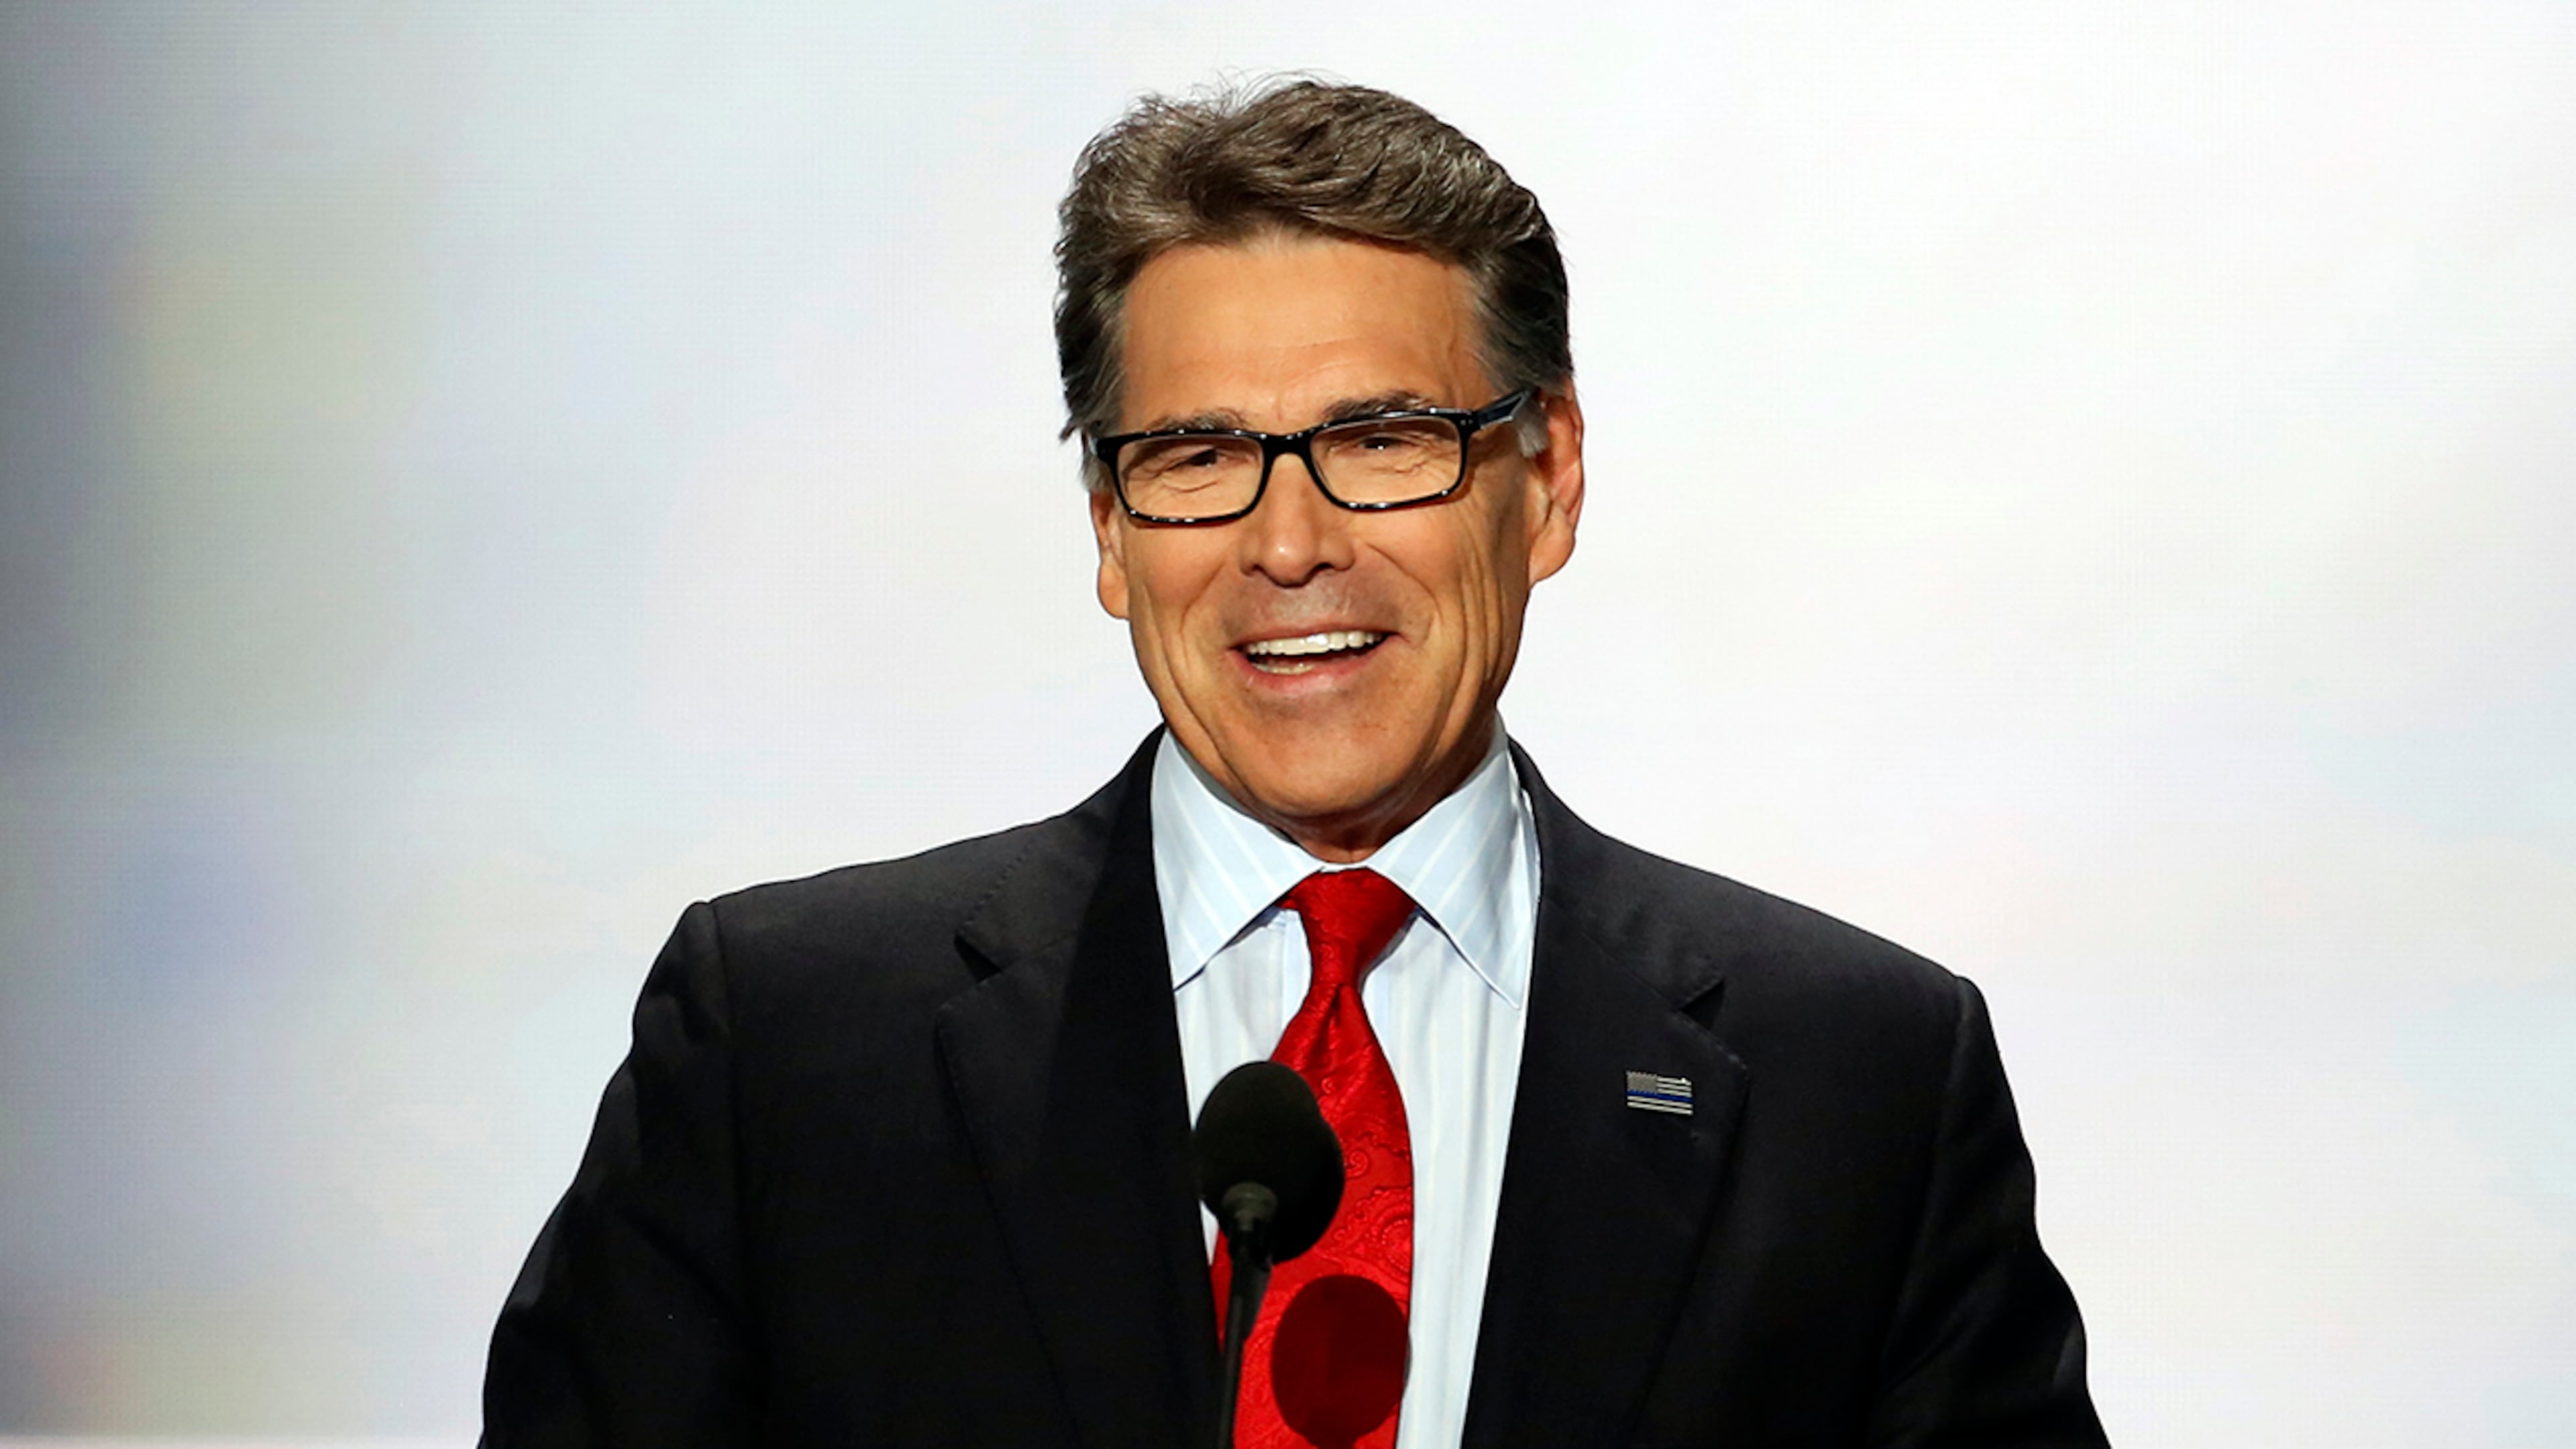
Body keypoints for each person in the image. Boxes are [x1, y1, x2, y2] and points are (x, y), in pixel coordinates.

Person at [482, 79, 2110, 1448]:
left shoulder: (1865, 1085)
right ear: (1111, 532)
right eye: (1197, 458)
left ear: (1544, 482)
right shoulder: (784, 1049)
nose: (1288, 543)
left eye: (1380, 439)